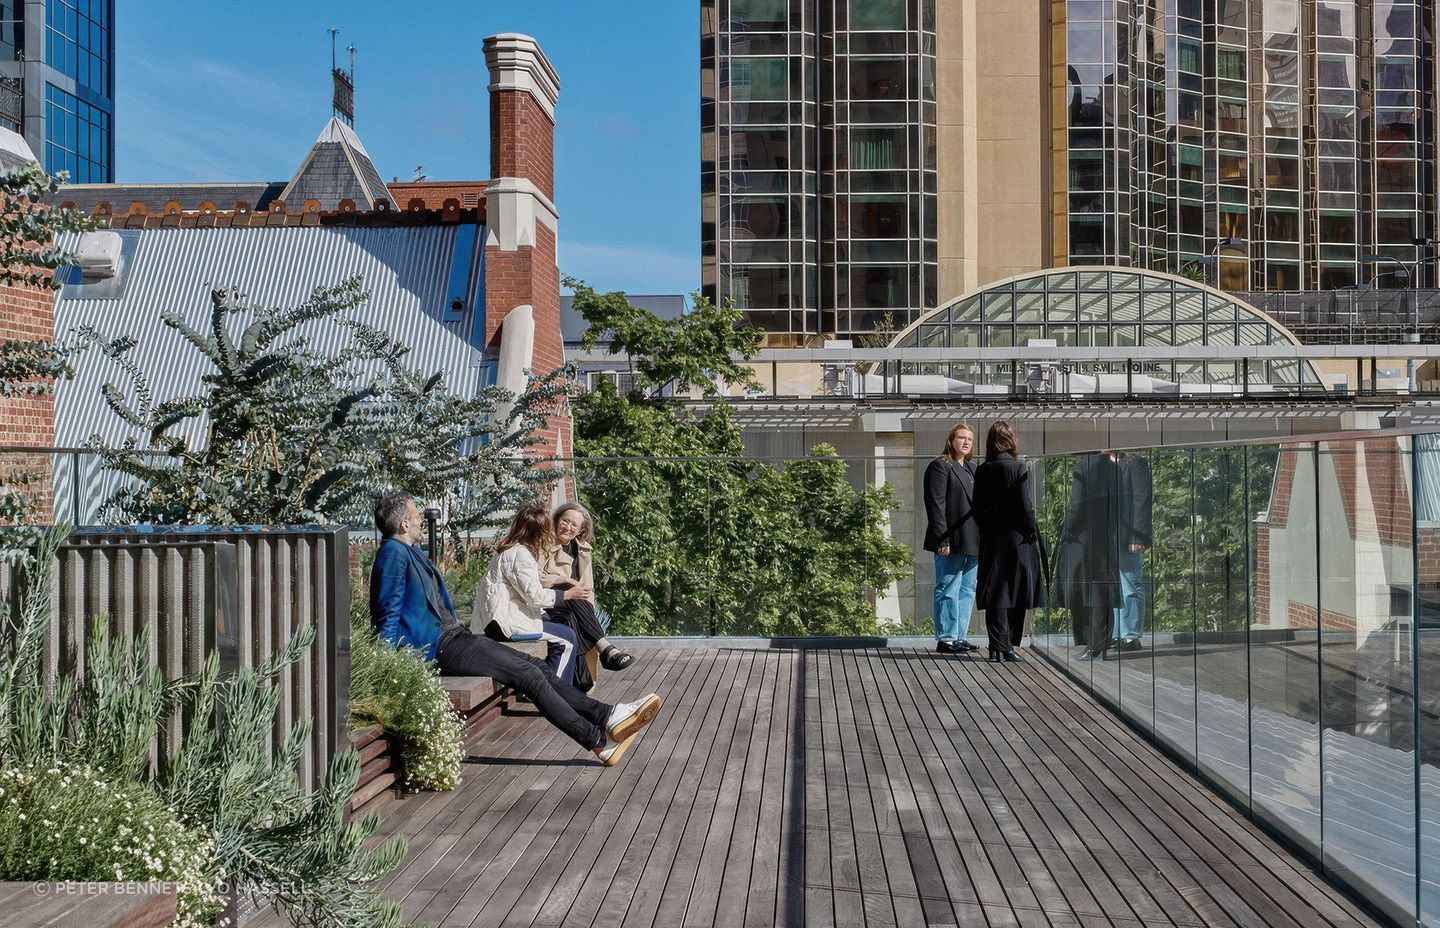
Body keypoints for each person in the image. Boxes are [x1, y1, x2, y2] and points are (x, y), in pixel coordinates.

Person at [369, 492, 661, 765]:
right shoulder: (393, 553)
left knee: (537, 667)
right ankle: (598, 739)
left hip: (454, 637)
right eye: (417, 515)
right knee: (529, 676)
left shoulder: (409, 551)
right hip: (440, 645)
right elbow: (387, 614)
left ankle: (607, 716)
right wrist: (389, 669)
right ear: (405, 523)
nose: (421, 519)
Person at [475, 505, 587, 683]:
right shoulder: (520, 555)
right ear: (538, 532)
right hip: (505, 624)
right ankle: (557, 693)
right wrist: (567, 595)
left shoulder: (509, 550)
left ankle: (551, 686)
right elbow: (534, 596)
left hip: (497, 620)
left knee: (564, 626)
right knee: (567, 639)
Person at [539, 501, 634, 691]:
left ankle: (580, 683)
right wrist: (563, 580)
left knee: (573, 618)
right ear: (557, 520)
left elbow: (587, 589)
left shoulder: (583, 550)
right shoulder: (543, 544)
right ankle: (604, 648)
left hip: (575, 608)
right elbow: (533, 578)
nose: (568, 527)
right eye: (565, 521)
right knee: (569, 587)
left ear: (581, 530)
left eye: (574, 525)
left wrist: (586, 608)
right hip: (545, 604)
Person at [973, 421, 1044, 662]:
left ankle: (997, 645)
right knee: (1017, 589)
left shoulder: (982, 470)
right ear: (1011, 440)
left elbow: (977, 509)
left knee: (996, 590)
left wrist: (987, 529)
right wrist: (1031, 530)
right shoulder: (1018, 467)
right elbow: (1025, 506)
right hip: (1017, 538)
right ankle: (1010, 644)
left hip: (993, 537)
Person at [1054, 451, 1124, 661]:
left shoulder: (1083, 466)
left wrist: (1067, 530)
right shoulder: (1114, 467)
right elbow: (1119, 505)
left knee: (1087, 590)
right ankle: (1100, 645)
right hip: (1105, 535)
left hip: (1084, 537)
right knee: (1102, 588)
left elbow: (1077, 503)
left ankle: (1091, 645)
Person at [922, 423, 981, 654]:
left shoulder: (972, 468)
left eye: (969, 439)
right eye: (961, 438)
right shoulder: (940, 465)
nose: (966, 442)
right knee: (947, 587)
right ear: (951, 440)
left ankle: (959, 636)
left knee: (967, 589)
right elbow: (935, 504)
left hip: (973, 539)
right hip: (951, 538)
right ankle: (946, 638)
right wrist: (941, 539)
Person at [1112, 452, 1152, 650]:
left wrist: (1138, 537)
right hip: (1110, 536)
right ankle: (1116, 633)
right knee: (1115, 586)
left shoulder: (1136, 462)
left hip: (1129, 536)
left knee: (1129, 585)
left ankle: (1130, 636)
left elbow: (1141, 500)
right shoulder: (1105, 462)